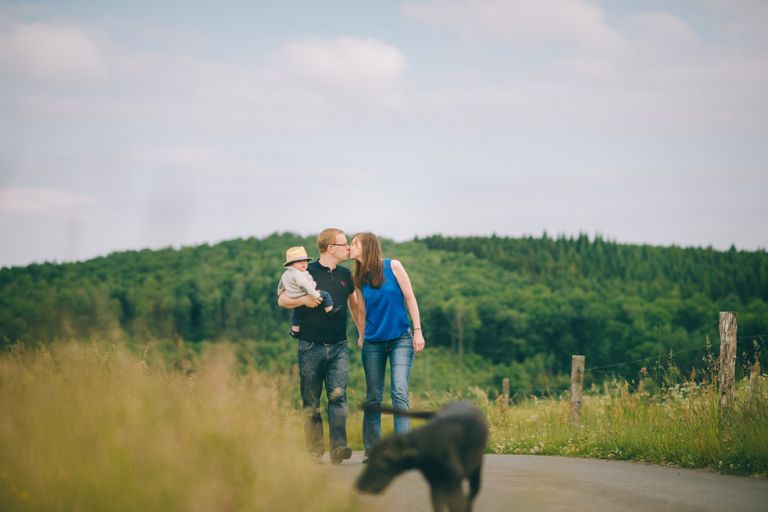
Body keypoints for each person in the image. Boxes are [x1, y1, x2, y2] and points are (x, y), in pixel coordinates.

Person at [277, 229, 359, 464]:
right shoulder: (304, 270)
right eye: (345, 244)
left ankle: (338, 448)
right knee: (311, 400)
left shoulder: (346, 274)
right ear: (331, 248)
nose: (348, 249)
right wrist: (303, 300)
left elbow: (354, 307)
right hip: (310, 346)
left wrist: (362, 333)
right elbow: (282, 299)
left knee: (339, 398)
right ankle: (314, 452)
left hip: (339, 346)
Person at [349, 232, 426, 459]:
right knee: (373, 396)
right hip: (373, 342)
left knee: (399, 392)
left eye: (354, 243)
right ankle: (372, 451)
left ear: (368, 246)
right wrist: (361, 335)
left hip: (400, 338)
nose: (350, 247)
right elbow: (362, 310)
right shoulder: (359, 277)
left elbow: (410, 298)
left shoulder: (394, 266)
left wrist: (418, 331)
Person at [277, 246, 339, 338]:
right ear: (291, 264)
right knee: (325, 295)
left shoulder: (286, 274)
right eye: (299, 261)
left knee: (297, 314)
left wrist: (279, 292)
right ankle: (330, 312)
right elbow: (305, 285)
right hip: (304, 294)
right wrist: (315, 295)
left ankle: (295, 331)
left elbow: (281, 286)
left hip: (293, 296)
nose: (304, 263)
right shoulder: (298, 274)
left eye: (305, 261)